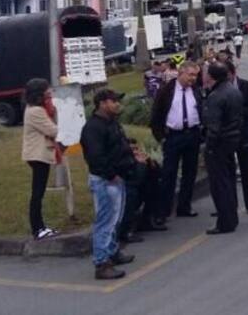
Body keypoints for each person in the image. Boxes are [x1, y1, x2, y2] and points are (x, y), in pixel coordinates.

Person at [80, 89, 137, 280]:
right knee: (105, 222)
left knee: (115, 220)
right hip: (105, 180)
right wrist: (111, 174)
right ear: (102, 103)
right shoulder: (93, 128)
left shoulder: (111, 123)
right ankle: (101, 262)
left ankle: (112, 252)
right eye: (113, 101)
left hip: (117, 177)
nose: (117, 105)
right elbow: (95, 157)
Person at [149, 61, 203, 219]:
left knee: (190, 172)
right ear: (181, 73)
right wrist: (161, 137)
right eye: (190, 75)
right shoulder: (167, 91)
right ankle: (164, 210)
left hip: (192, 135)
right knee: (169, 174)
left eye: (195, 75)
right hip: (173, 136)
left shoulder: (195, 90)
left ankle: (184, 206)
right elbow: (156, 116)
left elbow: (200, 108)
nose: (193, 78)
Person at [202, 61, 243, 234]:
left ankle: (224, 221)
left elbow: (214, 126)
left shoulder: (216, 96)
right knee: (229, 181)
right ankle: (231, 218)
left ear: (211, 76)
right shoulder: (233, 91)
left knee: (220, 184)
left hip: (219, 143)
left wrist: (208, 146)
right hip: (232, 140)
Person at [21, 78, 59, 240]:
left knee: (38, 192)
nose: (49, 92)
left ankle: (40, 227)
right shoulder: (36, 111)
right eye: (46, 90)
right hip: (38, 155)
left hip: (38, 154)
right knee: (37, 193)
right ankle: (38, 228)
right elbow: (53, 130)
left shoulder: (34, 108)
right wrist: (56, 112)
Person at [119, 139, 168, 245]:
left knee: (155, 187)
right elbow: (135, 180)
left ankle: (148, 220)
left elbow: (158, 174)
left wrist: (150, 163)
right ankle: (125, 231)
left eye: (136, 149)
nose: (136, 152)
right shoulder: (125, 161)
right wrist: (139, 164)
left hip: (140, 189)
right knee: (132, 194)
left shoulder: (142, 159)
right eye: (132, 149)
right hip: (128, 189)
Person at [227, 60, 248, 214]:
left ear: (233, 74)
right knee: (228, 171)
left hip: (244, 133)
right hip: (226, 135)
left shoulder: (246, 86)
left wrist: (238, 113)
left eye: (227, 76)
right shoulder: (218, 88)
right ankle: (229, 204)